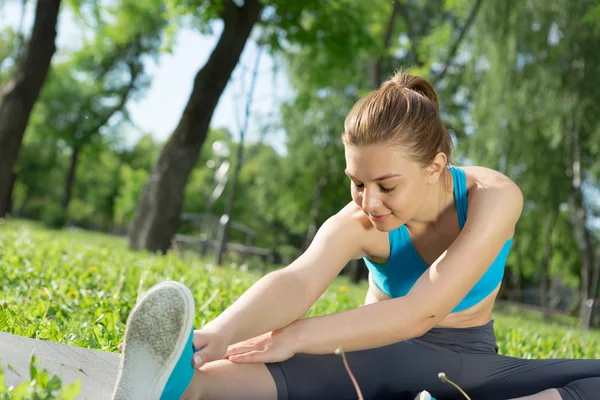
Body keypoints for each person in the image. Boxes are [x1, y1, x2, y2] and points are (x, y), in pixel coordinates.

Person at [111, 71, 600, 400]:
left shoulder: (493, 196)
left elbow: (420, 312)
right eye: (357, 182)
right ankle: (186, 384)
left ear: (435, 168)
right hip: (377, 351)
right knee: (338, 356)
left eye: (386, 186)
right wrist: (222, 332)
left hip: (469, 359)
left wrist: (298, 333)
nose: (368, 202)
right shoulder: (358, 222)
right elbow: (297, 281)